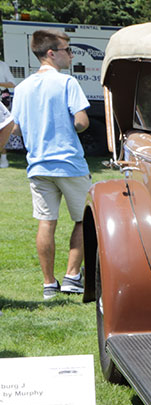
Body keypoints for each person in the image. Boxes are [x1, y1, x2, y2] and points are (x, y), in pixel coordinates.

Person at [10, 28, 91, 300]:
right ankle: (72, 277)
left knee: (46, 223)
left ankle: (48, 284)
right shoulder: (67, 82)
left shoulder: (22, 88)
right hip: (69, 163)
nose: (71, 55)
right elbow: (81, 122)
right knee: (84, 220)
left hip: (38, 165)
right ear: (51, 53)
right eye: (68, 50)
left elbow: (15, 128)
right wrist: (68, 127)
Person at [0, 59, 15, 168]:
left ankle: (4, 158)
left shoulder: (3, 66)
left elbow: (12, 84)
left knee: (2, 128)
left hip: (2, 99)